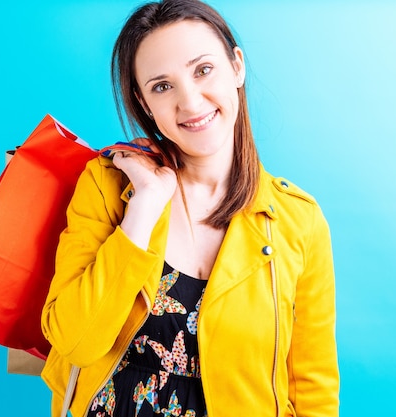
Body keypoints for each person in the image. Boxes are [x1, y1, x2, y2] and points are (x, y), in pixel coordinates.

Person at [40, 0, 339, 416]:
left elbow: (313, 388)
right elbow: (76, 342)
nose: (191, 102)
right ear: (145, 104)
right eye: (162, 86)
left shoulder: (298, 221)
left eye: (203, 70)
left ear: (236, 66)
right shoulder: (108, 186)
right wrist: (143, 208)